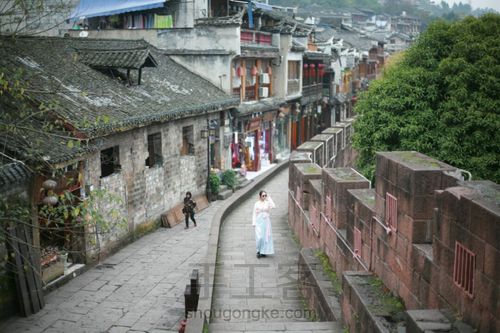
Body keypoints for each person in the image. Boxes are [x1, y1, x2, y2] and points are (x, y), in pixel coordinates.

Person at [252, 190, 275, 258]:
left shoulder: (267, 203)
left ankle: (263, 251)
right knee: (259, 237)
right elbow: (254, 213)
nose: (264, 197)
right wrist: (254, 223)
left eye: (265, 195)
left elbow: (273, 206)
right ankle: (258, 250)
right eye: (263, 195)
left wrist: (269, 198)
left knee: (265, 237)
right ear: (260, 196)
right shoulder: (256, 203)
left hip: (266, 221)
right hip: (259, 221)